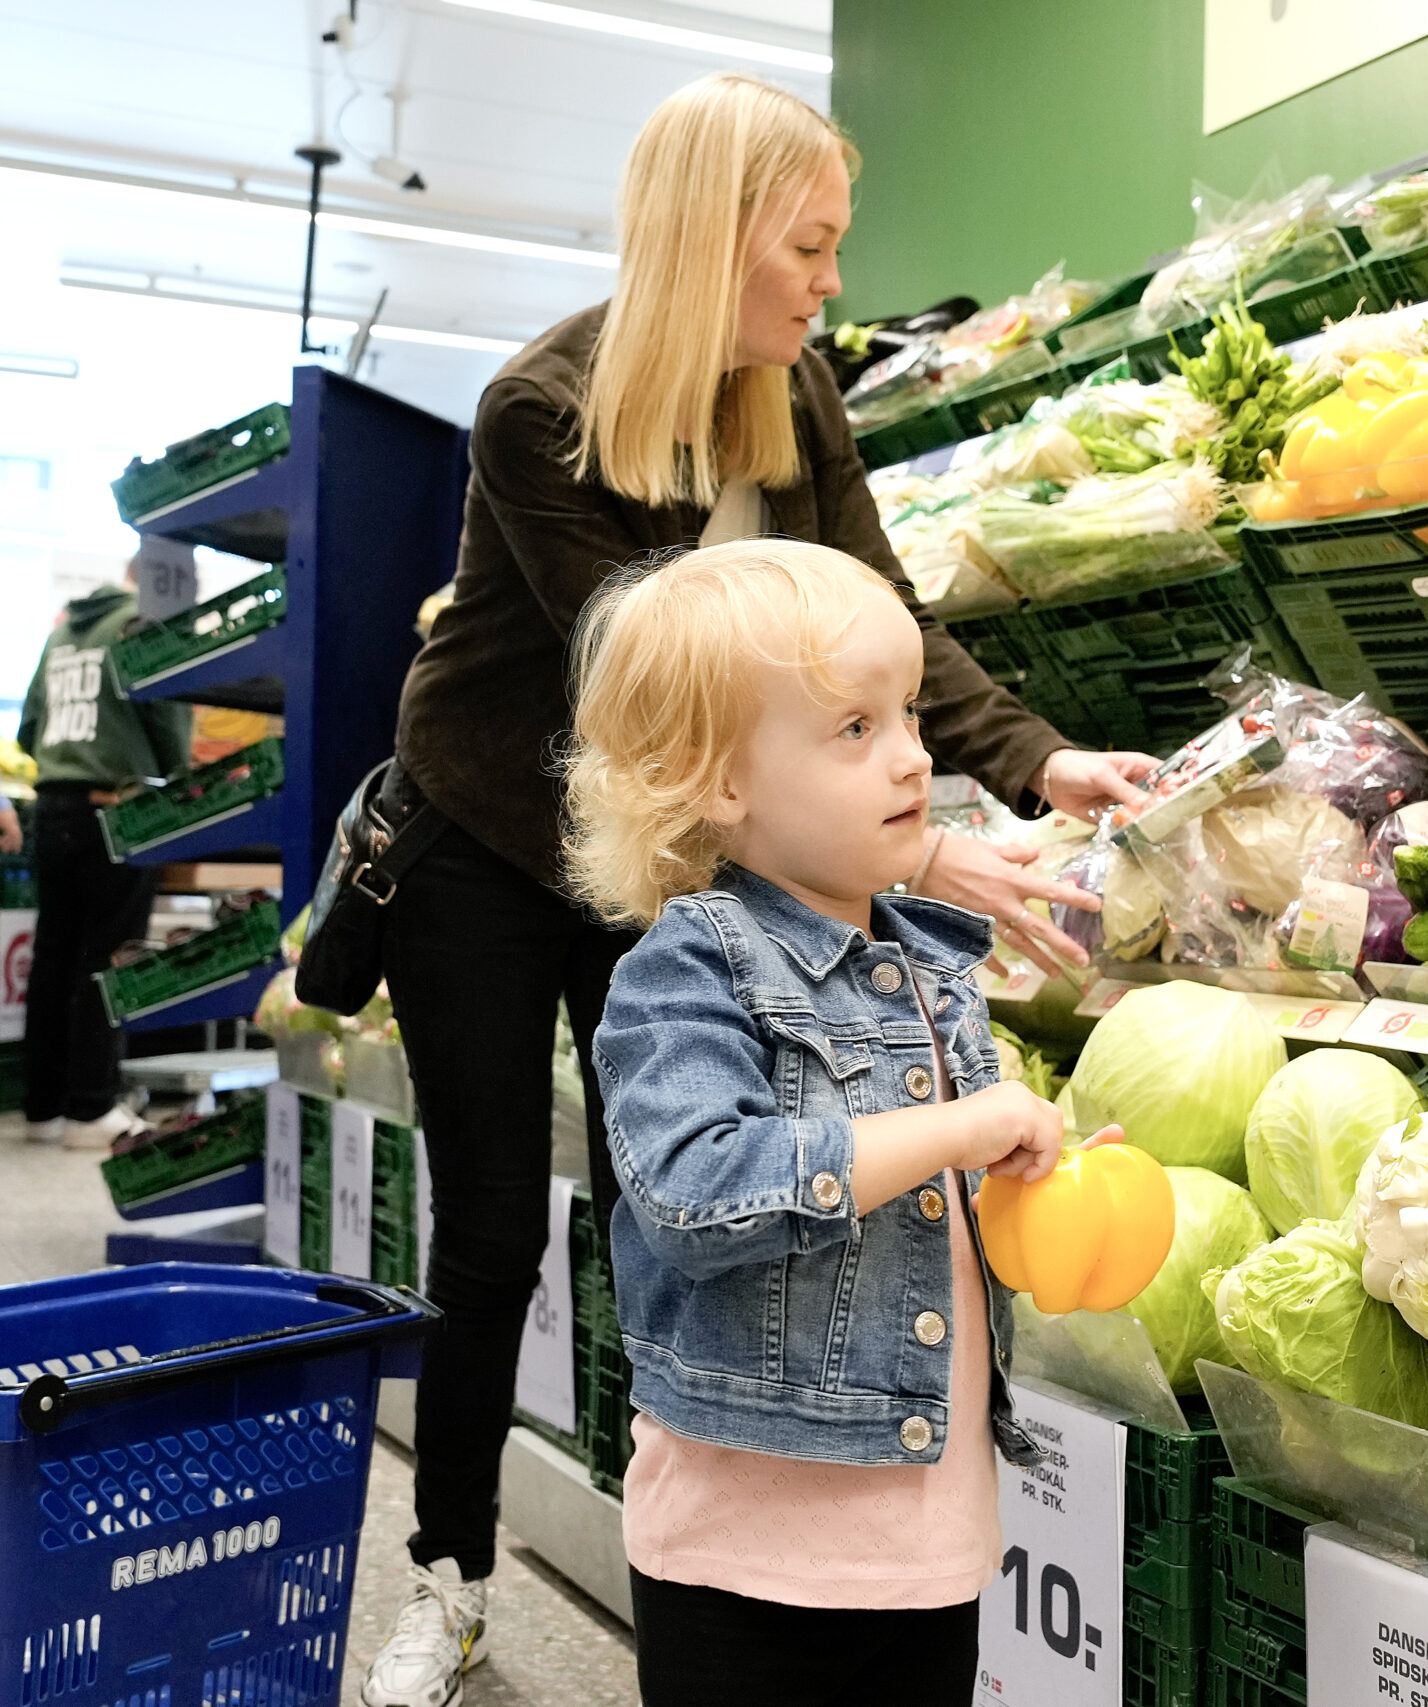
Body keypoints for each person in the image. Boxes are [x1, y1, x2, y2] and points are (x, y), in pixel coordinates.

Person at [362, 72, 1149, 1707]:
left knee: (674, 1203)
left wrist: (1039, 757)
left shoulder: (794, 393)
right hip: (497, 836)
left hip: (682, 841)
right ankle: (449, 1573)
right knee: (496, 1223)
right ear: (711, 239)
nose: (832, 281)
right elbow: (662, 693)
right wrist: (912, 850)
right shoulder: (538, 411)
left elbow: (876, 620)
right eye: (809, 245)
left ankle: (698, 1521)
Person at [568, 537, 1063, 1705]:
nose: (911, 756)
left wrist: (1035, 1186)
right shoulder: (688, 970)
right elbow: (700, 1194)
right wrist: (956, 1133)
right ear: (717, 783)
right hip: (749, 1554)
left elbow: (927, 1222)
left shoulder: (926, 962)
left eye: (908, 716)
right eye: (854, 728)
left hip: (927, 1530)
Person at [17, 560, 192, 1148]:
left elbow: (28, 728)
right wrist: (175, 775)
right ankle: (91, 1110)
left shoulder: (61, 634)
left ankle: (44, 1108)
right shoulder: (143, 624)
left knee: (54, 957)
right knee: (111, 959)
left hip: (52, 808)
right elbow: (169, 722)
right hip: (118, 810)